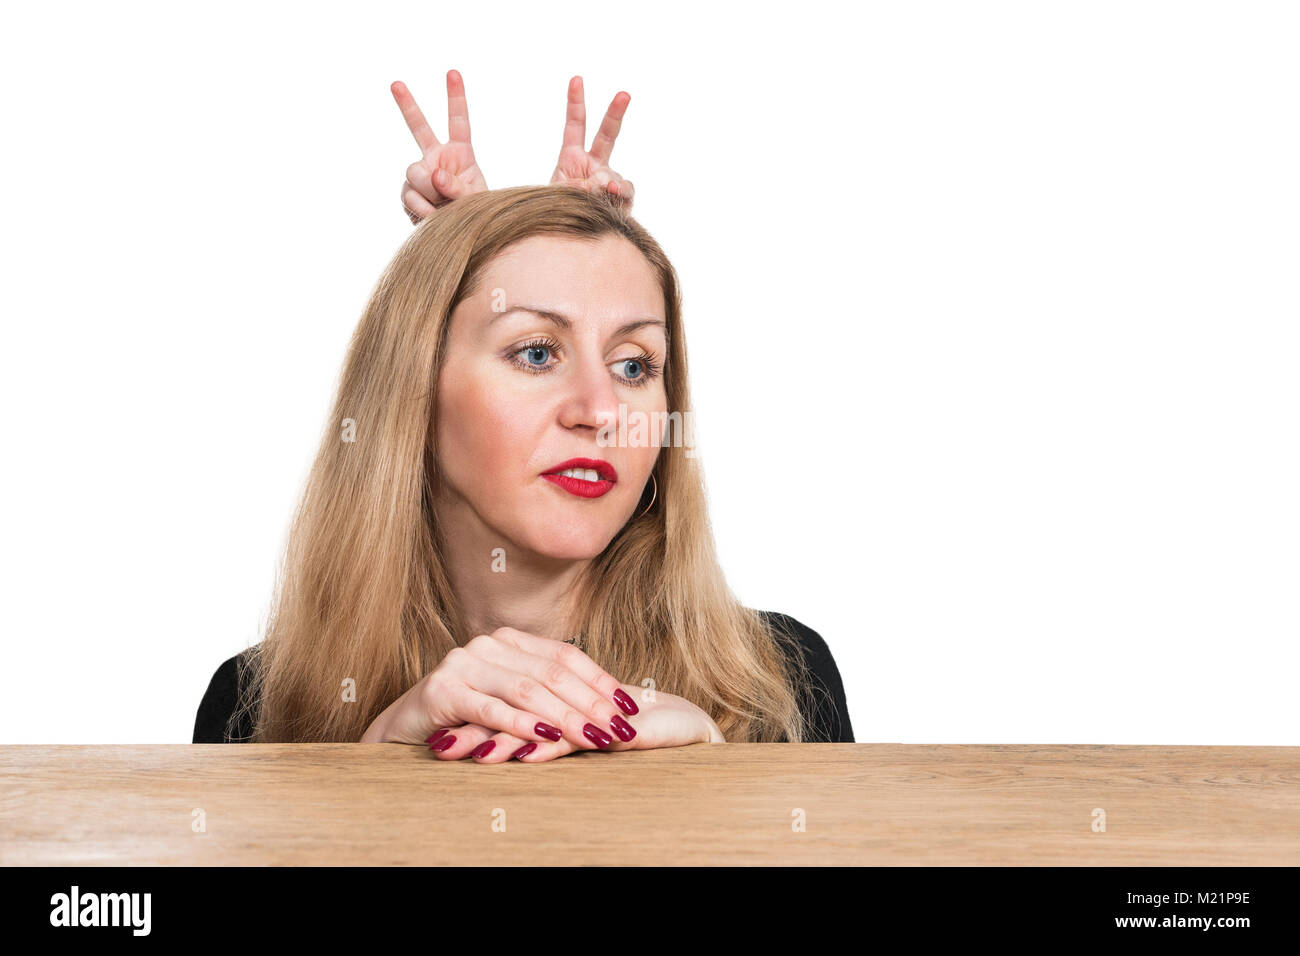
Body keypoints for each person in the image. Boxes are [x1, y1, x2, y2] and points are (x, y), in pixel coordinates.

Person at [193, 71, 853, 759]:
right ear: (413, 388)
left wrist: (725, 791)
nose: (602, 412)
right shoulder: (254, 702)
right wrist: (377, 757)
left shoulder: (784, 680)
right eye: (538, 354)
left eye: (634, 365)